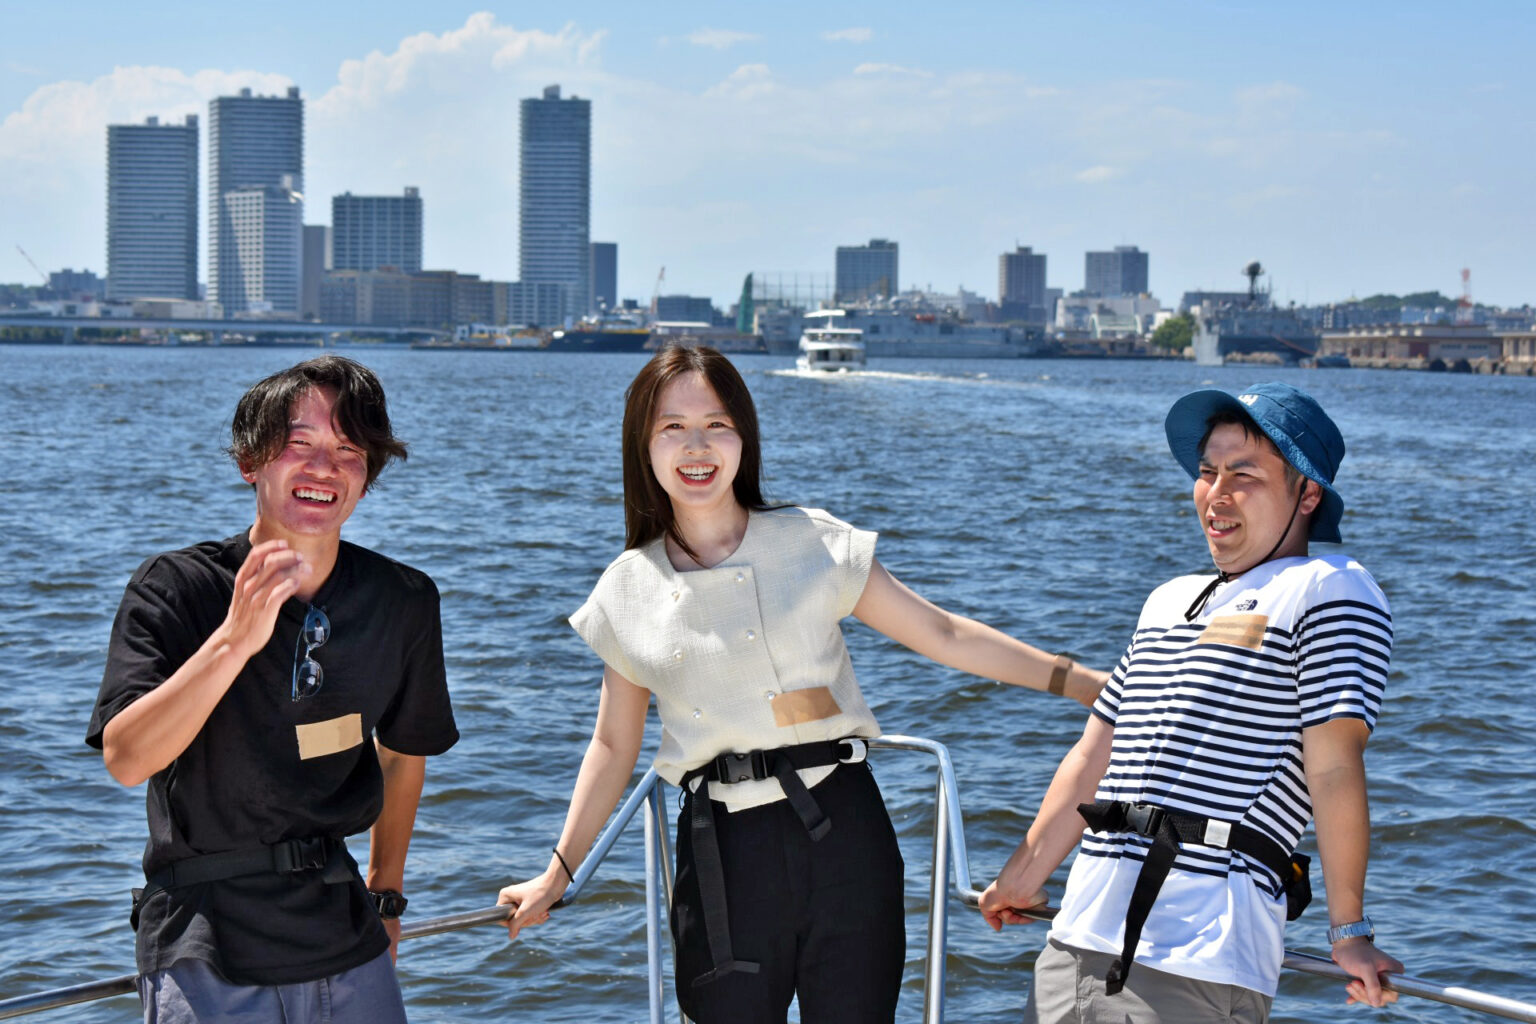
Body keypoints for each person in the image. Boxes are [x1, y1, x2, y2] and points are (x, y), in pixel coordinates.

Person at [496, 345, 1106, 1024]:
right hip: (722, 852)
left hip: (842, 829)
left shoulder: (811, 542)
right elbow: (613, 745)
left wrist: (1085, 684)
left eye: (717, 424)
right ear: (642, 444)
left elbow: (943, 634)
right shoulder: (626, 589)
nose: (697, 446)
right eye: (672, 427)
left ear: (744, 437)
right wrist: (558, 872)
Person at [979, 381, 1402, 1023]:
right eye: (1207, 472)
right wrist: (1021, 876)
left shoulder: (1331, 588)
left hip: (1201, 954)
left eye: (1244, 475)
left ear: (1308, 495)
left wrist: (1349, 930)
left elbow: (1335, 766)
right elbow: (1095, 755)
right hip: (1077, 937)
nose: (1217, 494)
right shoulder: (1167, 601)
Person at [87, 355, 458, 1023]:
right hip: (206, 939)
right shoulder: (175, 588)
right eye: (299, 444)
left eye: (348, 450)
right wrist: (234, 640)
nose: (324, 468)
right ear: (249, 462)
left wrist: (387, 894)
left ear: (368, 475)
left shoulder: (402, 599)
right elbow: (127, 757)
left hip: (345, 931)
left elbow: (404, 753)